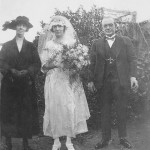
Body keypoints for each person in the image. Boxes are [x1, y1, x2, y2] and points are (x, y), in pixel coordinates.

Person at [38, 15, 90, 150]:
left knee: (69, 107)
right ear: (52, 29)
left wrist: (75, 64)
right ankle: (56, 140)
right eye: (55, 27)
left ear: (64, 28)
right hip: (54, 79)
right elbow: (44, 66)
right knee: (54, 107)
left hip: (68, 79)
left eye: (59, 26)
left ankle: (68, 140)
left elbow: (78, 63)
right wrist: (54, 64)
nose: (57, 29)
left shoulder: (72, 42)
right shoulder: (48, 45)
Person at [88, 17, 138, 149]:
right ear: (102, 28)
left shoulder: (125, 41)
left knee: (121, 109)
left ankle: (123, 138)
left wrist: (133, 76)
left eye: (110, 25)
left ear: (115, 26)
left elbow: (132, 59)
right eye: (105, 26)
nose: (108, 28)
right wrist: (91, 80)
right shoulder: (96, 43)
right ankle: (105, 139)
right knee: (105, 111)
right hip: (103, 82)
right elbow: (92, 63)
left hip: (120, 81)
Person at [0, 16, 41, 150]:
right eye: (19, 25)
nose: (21, 28)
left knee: (25, 112)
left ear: (27, 29)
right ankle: (8, 142)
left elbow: (36, 63)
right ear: (15, 27)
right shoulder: (6, 45)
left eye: (24, 26)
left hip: (25, 84)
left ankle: (25, 143)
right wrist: (11, 70)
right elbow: (1, 61)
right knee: (8, 111)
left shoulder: (31, 46)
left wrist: (28, 71)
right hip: (10, 84)